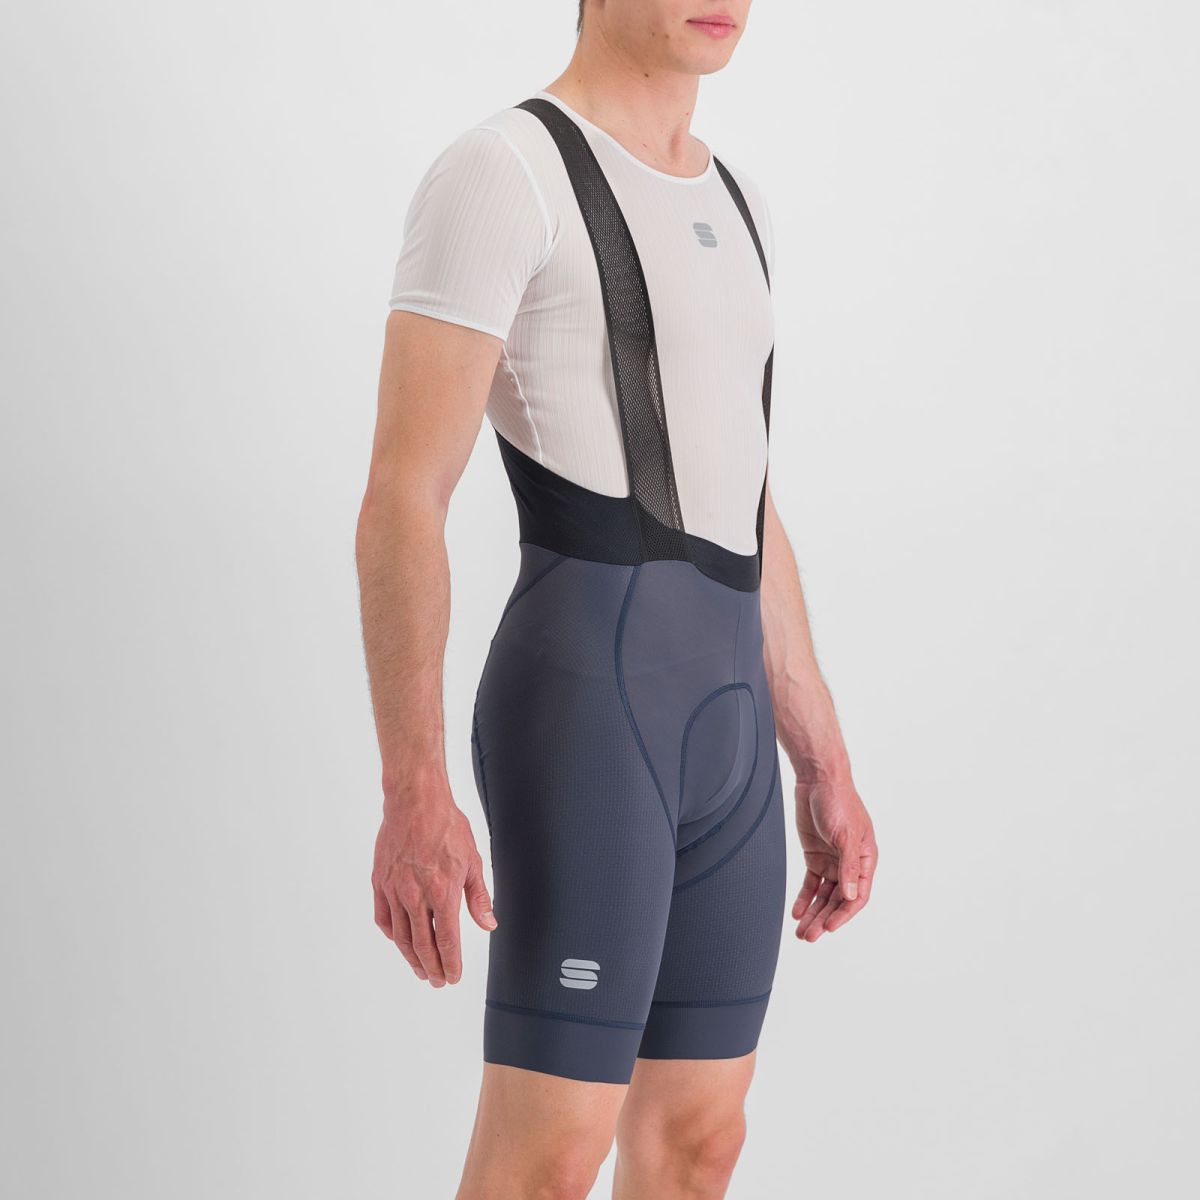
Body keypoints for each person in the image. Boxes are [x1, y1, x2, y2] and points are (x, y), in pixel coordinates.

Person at [356, 2, 878, 1196]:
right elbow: (401, 495)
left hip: (730, 730)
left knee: (701, 1144)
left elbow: (744, 499)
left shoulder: (734, 201)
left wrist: (822, 757)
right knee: (549, 1156)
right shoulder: (504, 172)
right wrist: (411, 787)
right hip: (590, 713)